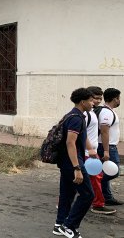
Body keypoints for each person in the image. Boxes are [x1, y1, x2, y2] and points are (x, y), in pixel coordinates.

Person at [53, 88, 94, 238]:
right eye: (90, 100)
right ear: (82, 102)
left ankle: (59, 225)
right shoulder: (76, 118)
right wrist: (77, 168)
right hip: (73, 163)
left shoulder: (72, 115)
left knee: (67, 194)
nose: (93, 103)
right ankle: (69, 226)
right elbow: (71, 143)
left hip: (66, 162)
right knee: (88, 195)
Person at [85, 86, 116, 215]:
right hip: (87, 153)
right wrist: (90, 149)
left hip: (90, 152)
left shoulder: (93, 112)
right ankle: (98, 204)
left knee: (88, 178)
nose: (97, 101)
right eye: (95, 98)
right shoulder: (85, 114)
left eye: (100, 98)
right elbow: (81, 134)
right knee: (96, 177)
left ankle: (66, 202)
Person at [97, 87, 122, 206]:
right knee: (114, 171)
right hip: (107, 147)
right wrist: (106, 151)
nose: (119, 101)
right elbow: (104, 131)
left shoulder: (109, 111)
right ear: (115, 98)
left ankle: (107, 197)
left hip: (109, 146)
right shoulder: (106, 112)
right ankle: (93, 184)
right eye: (119, 98)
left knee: (107, 170)